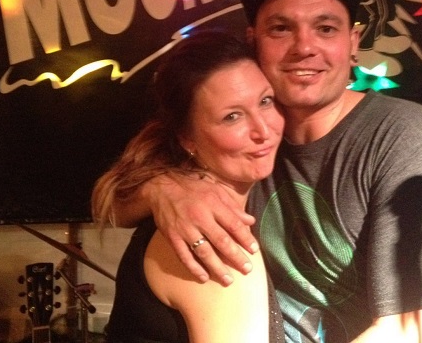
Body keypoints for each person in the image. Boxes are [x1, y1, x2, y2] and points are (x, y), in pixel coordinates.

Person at [108, 0, 422, 342]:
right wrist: (164, 191)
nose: (305, 47)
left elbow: (416, 331)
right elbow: (111, 204)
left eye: (326, 28)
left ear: (353, 43)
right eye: (281, 29)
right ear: (254, 43)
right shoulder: (252, 146)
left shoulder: (407, 138)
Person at [91, 30, 286, 342]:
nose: (264, 130)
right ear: (187, 140)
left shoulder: (190, 203)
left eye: (265, 101)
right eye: (232, 117)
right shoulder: (213, 239)